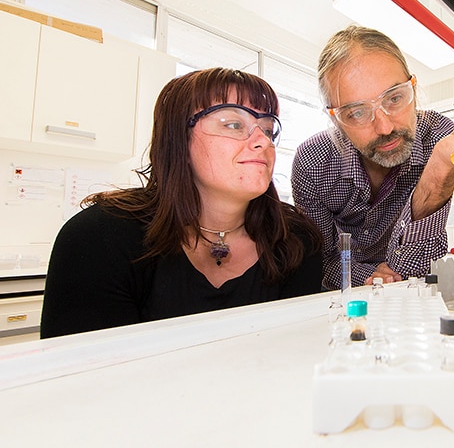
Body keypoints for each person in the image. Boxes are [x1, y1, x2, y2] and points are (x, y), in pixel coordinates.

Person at [40, 68, 323, 338]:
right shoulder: (99, 237)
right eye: (234, 124)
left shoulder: (296, 241)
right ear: (178, 139)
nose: (262, 141)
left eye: (268, 129)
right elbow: (80, 376)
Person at [292, 25, 454, 290]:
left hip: (412, 294)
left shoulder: (440, 138)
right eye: (357, 113)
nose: (385, 128)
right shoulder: (312, 161)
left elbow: (420, 263)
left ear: (414, 89)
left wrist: (441, 168)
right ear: (335, 119)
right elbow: (320, 261)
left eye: (395, 98)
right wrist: (369, 276)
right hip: (343, 300)